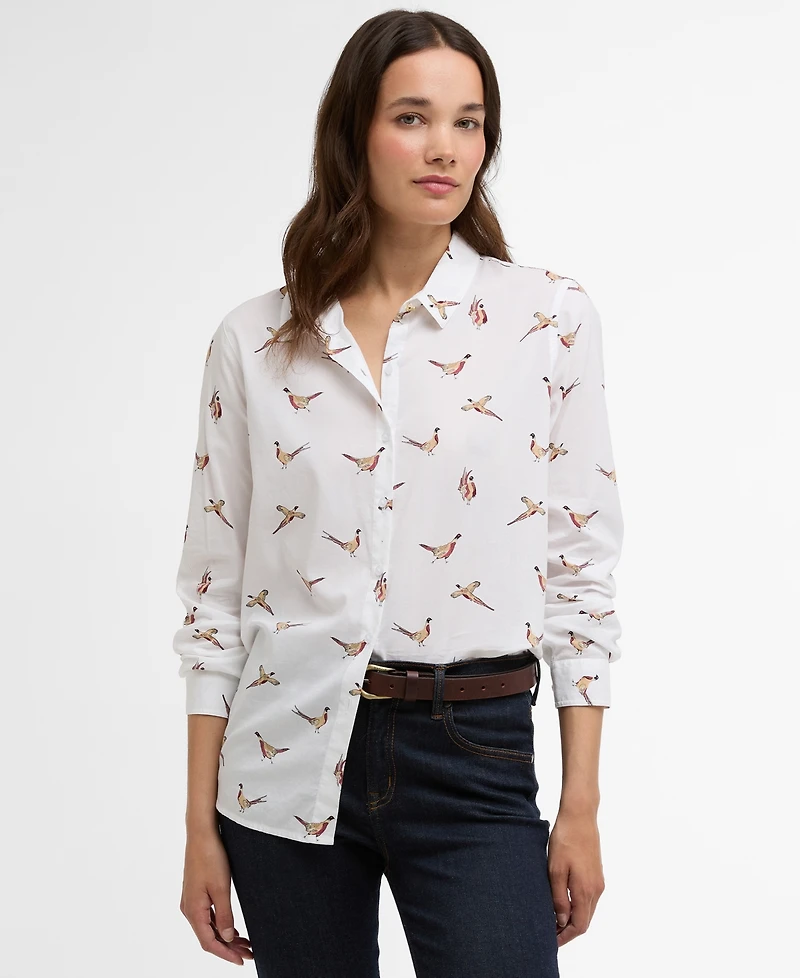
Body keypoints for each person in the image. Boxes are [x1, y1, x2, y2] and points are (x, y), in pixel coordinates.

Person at [174, 9, 623, 977]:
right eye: (412, 117)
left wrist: (579, 805)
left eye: (469, 123)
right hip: (282, 759)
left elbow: (580, 576)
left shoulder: (545, 320)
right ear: (354, 133)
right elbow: (214, 599)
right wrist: (198, 827)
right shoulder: (254, 344)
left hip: (473, 752)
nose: (445, 148)